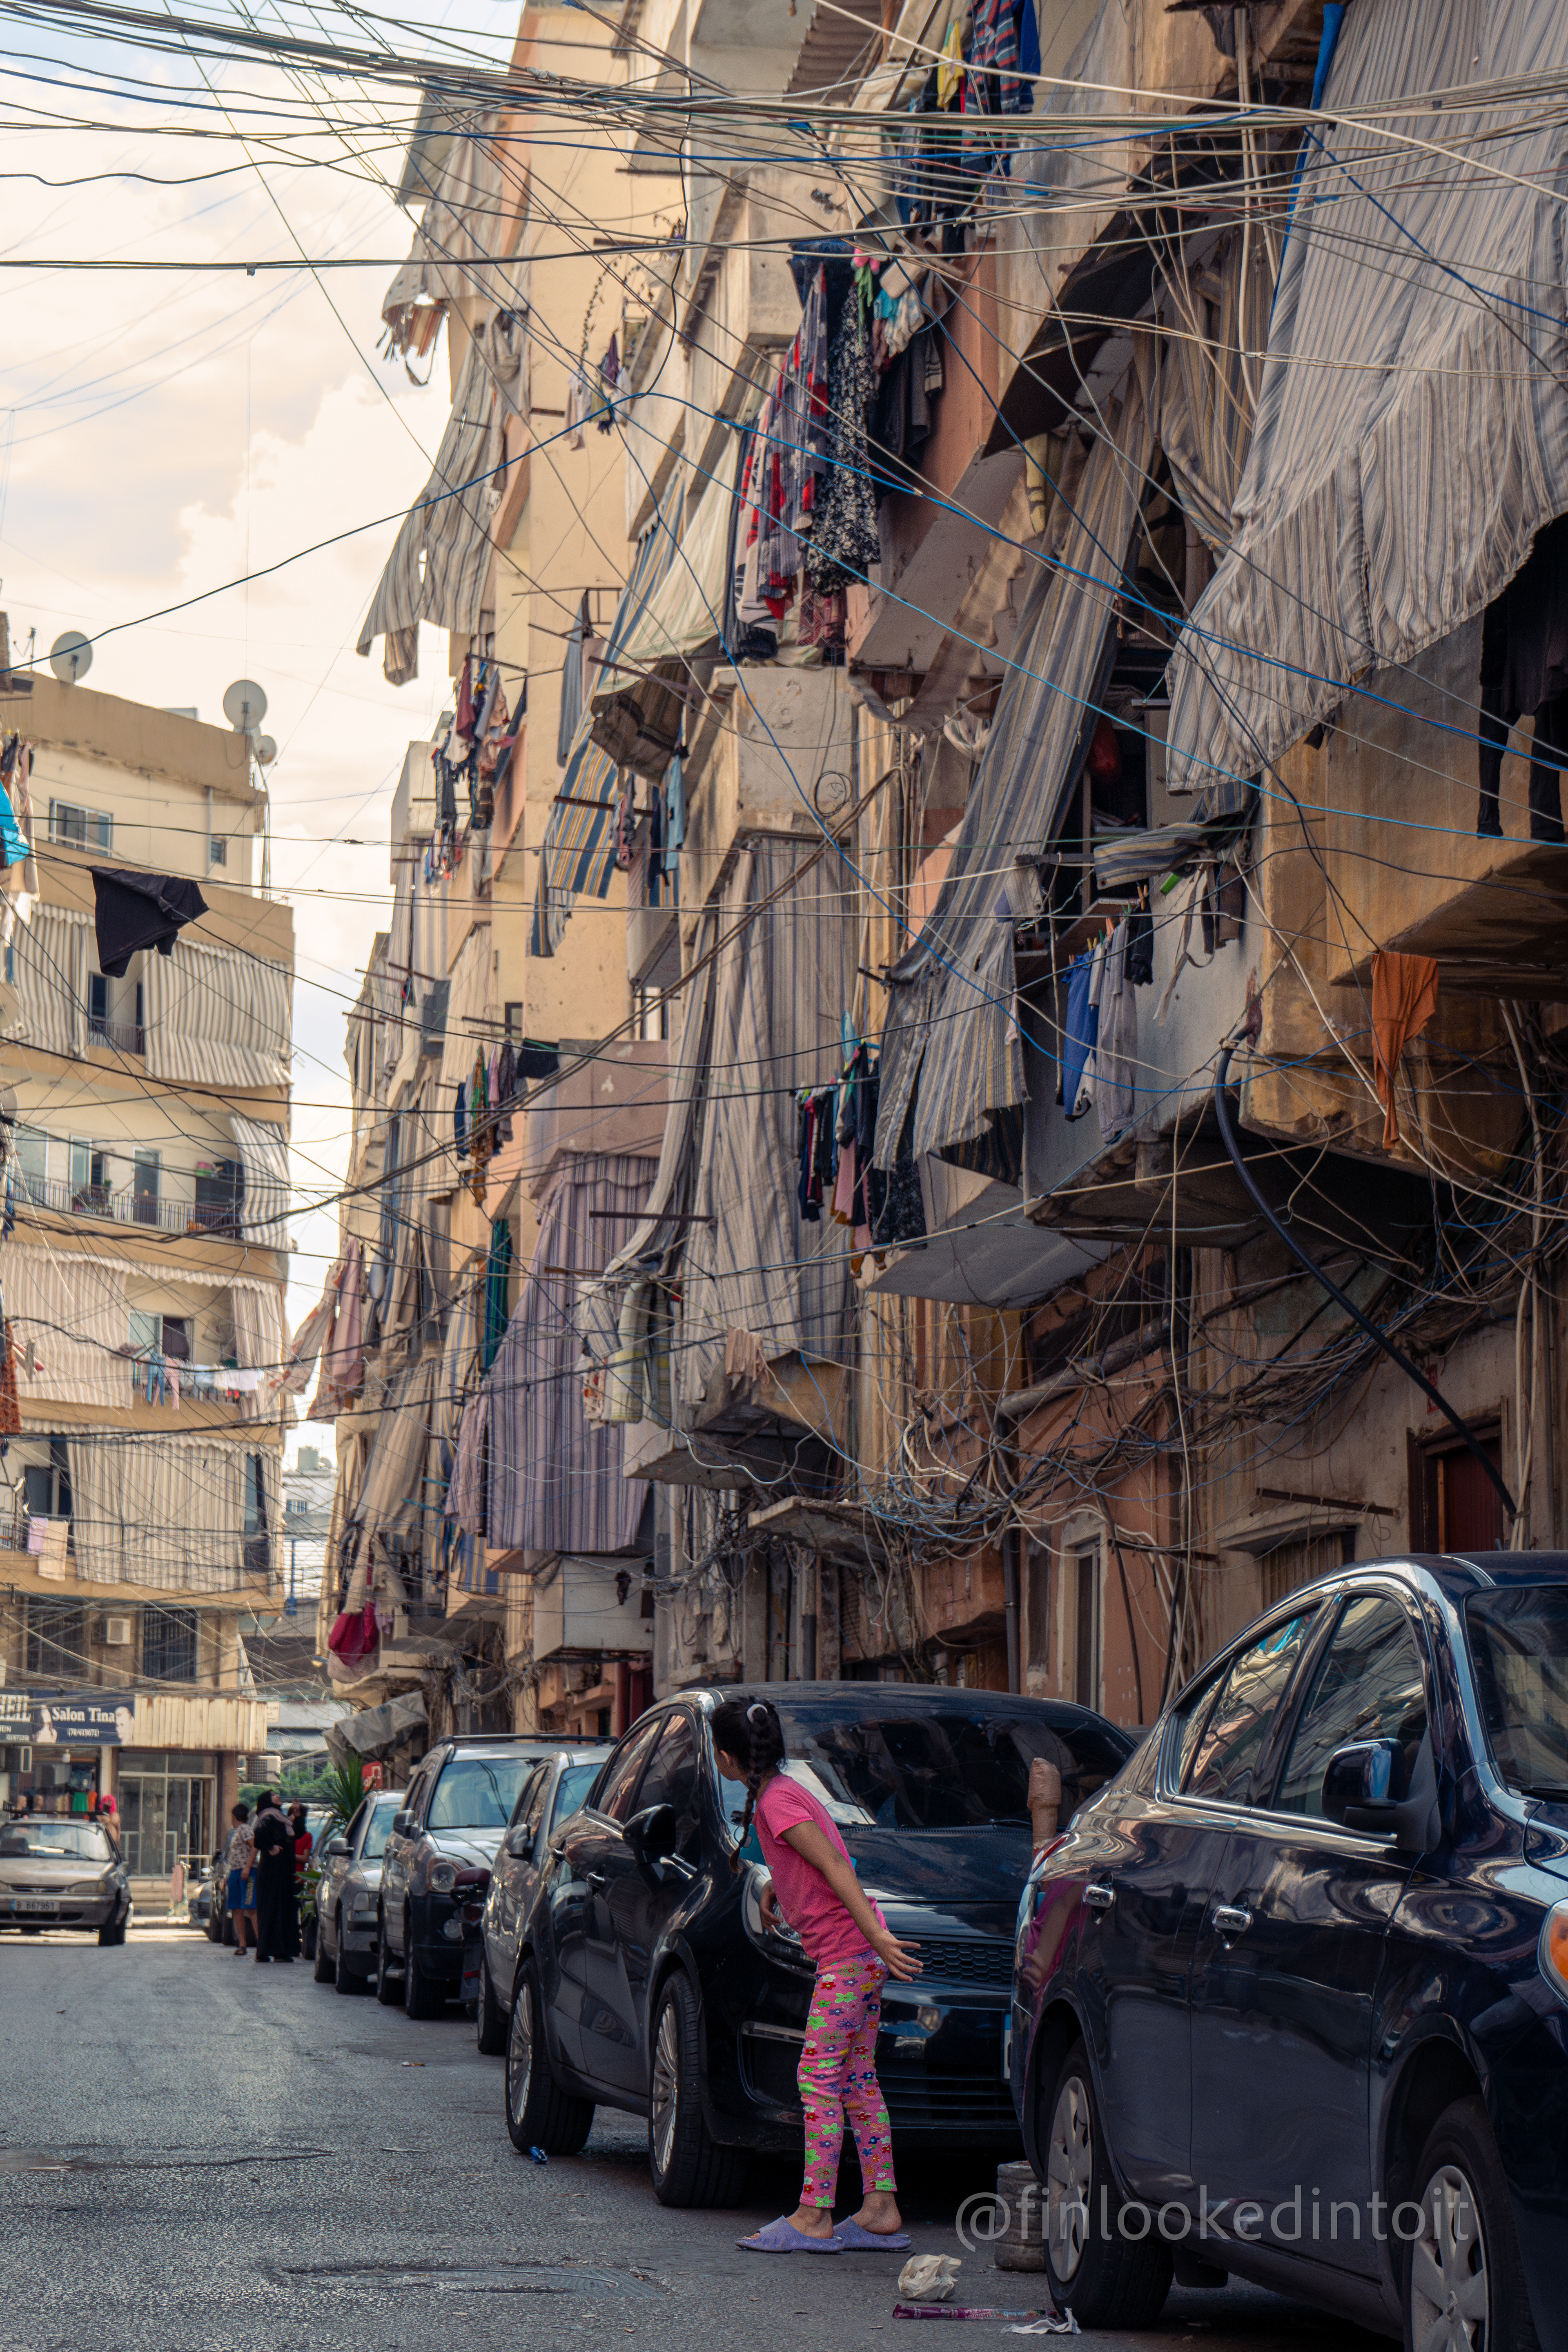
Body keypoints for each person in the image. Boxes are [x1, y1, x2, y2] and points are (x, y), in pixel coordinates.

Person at [711, 1695, 922, 2256]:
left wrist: (876, 1938)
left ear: (728, 1757)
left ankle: (814, 2213)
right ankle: (879, 2207)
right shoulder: (789, 1789)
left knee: (818, 2080)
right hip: (860, 1954)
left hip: (850, 1956)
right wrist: (781, 1886)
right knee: (856, 2078)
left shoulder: (777, 1801)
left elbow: (832, 1862)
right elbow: (815, 1856)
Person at [250, 1790, 299, 1963]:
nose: (278, 1797)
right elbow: (259, 1840)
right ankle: (264, 1951)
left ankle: (281, 1951)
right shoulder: (267, 1817)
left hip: (284, 1872)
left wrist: (297, 1815)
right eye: (273, 1795)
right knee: (271, 1909)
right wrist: (271, 1848)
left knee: (283, 1909)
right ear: (267, 1801)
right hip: (271, 1872)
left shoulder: (281, 1818)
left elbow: (296, 1837)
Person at [222, 1804, 256, 1956]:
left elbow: (255, 1847)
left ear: (234, 1817)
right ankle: (242, 1944)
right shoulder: (236, 1832)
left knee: (251, 1907)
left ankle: (260, 1943)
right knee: (237, 1909)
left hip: (246, 1873)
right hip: (235, 1872)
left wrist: (248, 1867)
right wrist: (228, 1875)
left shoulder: (245, 1829)